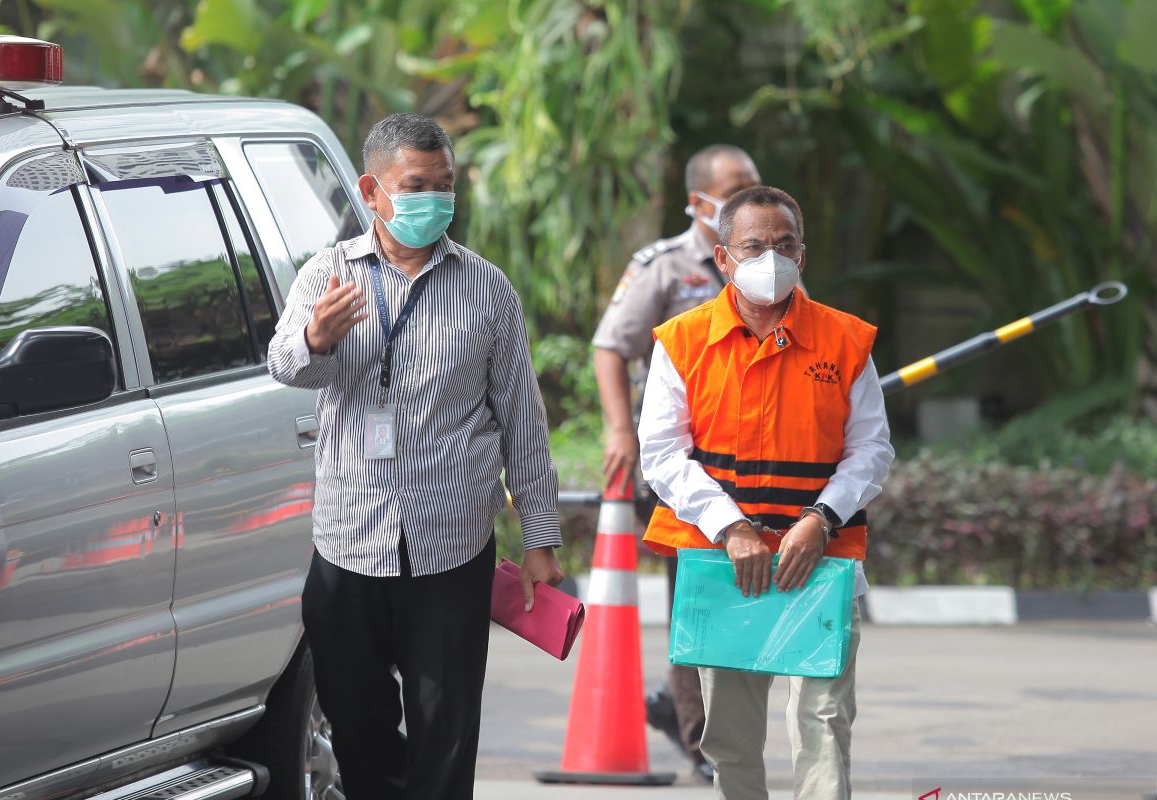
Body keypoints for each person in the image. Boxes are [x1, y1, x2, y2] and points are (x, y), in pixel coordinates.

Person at [268, 113, 564, 800]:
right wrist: (317, 339)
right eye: (415, 185)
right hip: (349, 545)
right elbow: (285, 365)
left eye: (445, 185)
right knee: (357, 726)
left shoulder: (487, 289)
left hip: (451, 550)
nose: (434, 199)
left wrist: (542, 538)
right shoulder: (327, 275)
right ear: (372, 191)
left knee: (446, 737)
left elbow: (523, 419)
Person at [637, 186, 894, 799]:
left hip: (822, 562)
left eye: (784, 246)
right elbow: (663, 455)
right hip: (726, 566)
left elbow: (873, 449)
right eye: (753, 246)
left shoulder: (845, 342)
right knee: (729, 736)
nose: (769, 258)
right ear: (723, 259)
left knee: (824, 726)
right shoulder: (683, 341)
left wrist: (820, 519)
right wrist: (732, 527)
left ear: (801, 256)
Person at [591, 144, 761, 782]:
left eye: (755, 185)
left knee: (740, 601)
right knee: (698, 597)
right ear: (699, 203)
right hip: (684, 467)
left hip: (762, 468)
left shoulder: (770, 260)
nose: (748, 197)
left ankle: (680, 709)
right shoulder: (664, 269)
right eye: (735, 188)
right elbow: (610, 347)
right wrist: (619, 431)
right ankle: (704, 744)